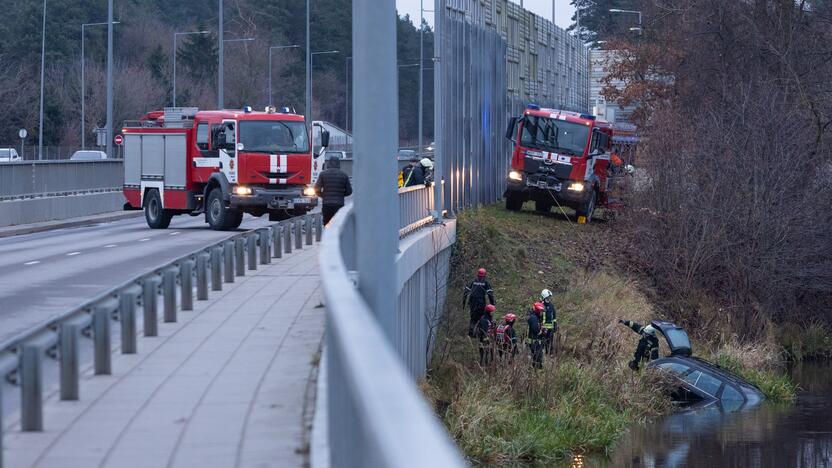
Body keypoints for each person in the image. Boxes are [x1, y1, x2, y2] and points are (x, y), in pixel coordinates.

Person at [314, 155, 353, 225]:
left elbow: (316, 189)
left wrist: (324, 196)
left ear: (328, 163)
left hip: (327, 204)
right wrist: (340, 195)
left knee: (327, 224)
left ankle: (327, 235)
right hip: (339, 204)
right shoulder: (344, 175)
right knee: (338, 224)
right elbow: (349, 191)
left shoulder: (323, 174)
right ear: (338, 164)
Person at [462, 268, 496, 337]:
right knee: (481, 317)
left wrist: (464, 303)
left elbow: (466, 292)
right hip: (481, 302)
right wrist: (492, 304)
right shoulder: (486, 282)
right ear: (484, 275)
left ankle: (471, 333)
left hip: (472, 302)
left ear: (477, 274)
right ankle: (481, 332)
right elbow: (490, 294)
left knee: (473, 318)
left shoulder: (473, 281)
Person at [527, 302, 546, 369]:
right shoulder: (533, 318)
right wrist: (543, 331)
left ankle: (536, 371)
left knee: (537, 358)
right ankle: (537, 371)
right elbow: (536, 331)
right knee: (537, 358)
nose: (541, 313)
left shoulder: (535, 317)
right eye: (541, 311)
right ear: (537, 311)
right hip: (535, 342)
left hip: (535, 342)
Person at [540, 289, 558, 355]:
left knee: (550, 342)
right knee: (542, 343)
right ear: (543, 298)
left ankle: (550, 355)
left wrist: (555, 324)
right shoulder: (540, 305)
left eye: (549, 298)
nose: (548, 299)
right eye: (547, 298)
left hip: (550, 328)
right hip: (542, 329)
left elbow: (554, 315)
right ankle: (542, 355)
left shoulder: (551, 305)